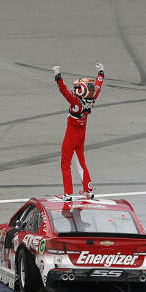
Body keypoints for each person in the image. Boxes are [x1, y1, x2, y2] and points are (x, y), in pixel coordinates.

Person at [52, 63, 104, 200]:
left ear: (82, 91)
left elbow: (63, 90)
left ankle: (68, 193)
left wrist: (58, 76)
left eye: (77, 88)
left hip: (71, 135)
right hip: (81, 135)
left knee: (65, 163)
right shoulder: (92, 100)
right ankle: (88, 190)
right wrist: (101, 73)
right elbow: (98, 86)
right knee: (81, 162)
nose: (75, 89)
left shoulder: (75, 102)